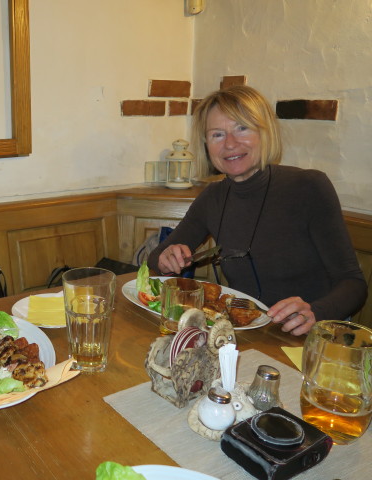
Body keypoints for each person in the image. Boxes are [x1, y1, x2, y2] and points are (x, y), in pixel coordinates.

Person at [147, 85, 367, 336]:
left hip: (314, 335)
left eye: (242, 128)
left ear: (265, 132)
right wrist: (167, 258)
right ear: (206, 144)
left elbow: (354, 283)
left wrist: (316, 311)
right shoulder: (212, 197)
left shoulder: (308, 187)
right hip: (253, 334)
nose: (230, 143)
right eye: (217, 134)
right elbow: (155, 259)